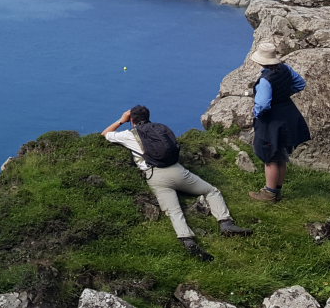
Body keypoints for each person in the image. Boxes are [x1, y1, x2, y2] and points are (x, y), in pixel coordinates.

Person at [102, 105, 252, 261]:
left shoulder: (129, 135)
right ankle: (225, 223)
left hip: (155, 176)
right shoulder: (160, 128)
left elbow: (105, 134)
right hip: (177, 170)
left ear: (131, 119)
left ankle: (188, 241)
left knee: (174, 210)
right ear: (148, 117)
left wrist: (121, 120)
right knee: (211, 191)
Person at [247, 42, 311, 202]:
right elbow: (300, 84)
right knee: (281, 154)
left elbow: (263, 104)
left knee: (270, 157)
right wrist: (282, 94)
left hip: (272, 121)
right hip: (288, 114)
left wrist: (255, 112)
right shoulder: (286, 68)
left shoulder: (265, 80)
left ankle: (269, 193)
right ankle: (277, 190)